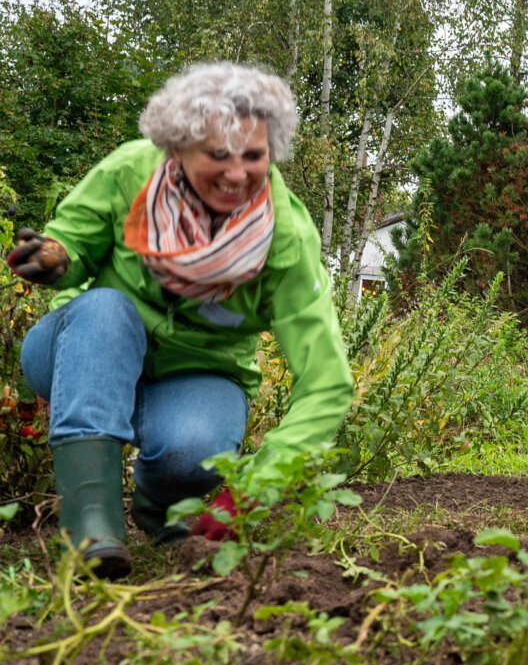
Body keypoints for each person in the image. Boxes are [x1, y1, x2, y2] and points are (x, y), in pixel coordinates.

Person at [6, 63, 353, 577]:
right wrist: (56, 260)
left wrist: (252, 488)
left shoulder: (285, 239)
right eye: (218, 154)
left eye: (253, 156)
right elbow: (71, 245)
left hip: (197, 376)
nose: (237, 175)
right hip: (81, 354)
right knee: (106, 308)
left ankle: (161, 510)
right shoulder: (130, 173)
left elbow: (327, 382)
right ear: (177, 146)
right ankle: (90, 524)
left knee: (196, 448)